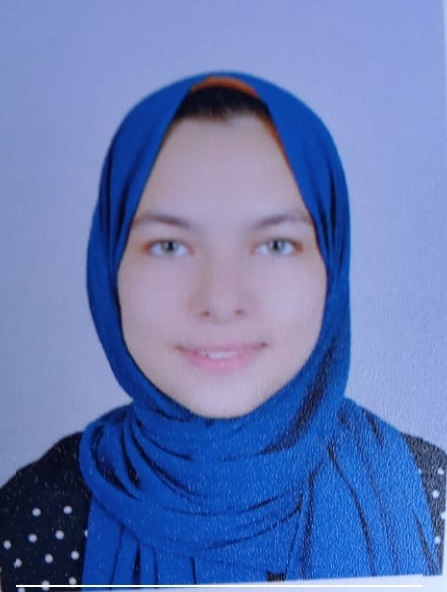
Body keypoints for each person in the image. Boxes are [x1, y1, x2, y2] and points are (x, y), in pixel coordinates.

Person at [0, 72, 445, 589]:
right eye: (170, 246)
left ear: (331, 264)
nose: (220, 300)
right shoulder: (31, 520)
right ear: (110, 267)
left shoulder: (430, 497)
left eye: (275, 245)